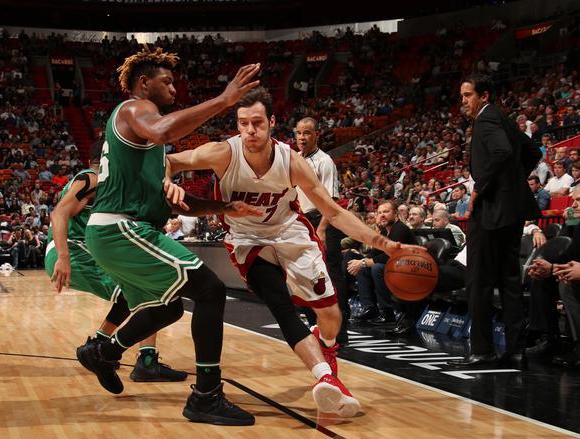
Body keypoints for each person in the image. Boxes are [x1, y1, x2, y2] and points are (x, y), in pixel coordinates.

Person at [168, 87, 417, 417]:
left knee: (331, 316)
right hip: (246, 239)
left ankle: (325, 348)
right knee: (279, 303)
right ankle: (326, 378)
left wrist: (383, 242)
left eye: (257, 122)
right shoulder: (222, 153)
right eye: (242, 123)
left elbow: (333, 211)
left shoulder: (292, 161)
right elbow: (168, 159)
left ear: (272, 122)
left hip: (290, 233)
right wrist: (166, 179)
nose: (249, 131)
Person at [83, 47, 261, 426]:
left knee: (169, 307)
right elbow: (164, 127)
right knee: (211, 290)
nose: (174, 88)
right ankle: (206, 397)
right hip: (120, 228)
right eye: (167, 81)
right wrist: (225, 100)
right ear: (143, 84)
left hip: (121, 230)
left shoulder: (151, 147)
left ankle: (104, 352)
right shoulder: (134, 109)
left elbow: (176, 205)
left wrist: (224, 208)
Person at [48, 149, 192, 384]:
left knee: (140, 290)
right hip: (73, 252)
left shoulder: (108, 184)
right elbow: (58, 214)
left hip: (81, 251)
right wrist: (63, 257)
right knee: (148, 290)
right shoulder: (93, 178)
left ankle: (101, 343)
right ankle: (141, 361)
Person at [451, 74, 541, 368]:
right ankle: (515, 352)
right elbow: (531, 152)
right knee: (510, 281)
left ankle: (483, 350)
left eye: (467, 95)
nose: (463, 101)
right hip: (512, 211)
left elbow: (502, 152)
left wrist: (480, 188)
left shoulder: (486, 120)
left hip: (491, 211)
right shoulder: (502, 118)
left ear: (484, 95)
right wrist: (513, 183)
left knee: (478, 282)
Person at [293, 116, 349, 344]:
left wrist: (322, 229)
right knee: (306, 276)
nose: (302, 138)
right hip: (302, 221)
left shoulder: (325, 161)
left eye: (307, 133)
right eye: (298, 133)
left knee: (331, 276)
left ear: (317, 135)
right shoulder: (295, 159)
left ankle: (341, 332)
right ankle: (316, 325)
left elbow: (331, 200)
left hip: (322, 221)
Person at [528, 182, 580, 368]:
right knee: (542, 280)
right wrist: (550, 268)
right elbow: (569, 256)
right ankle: (550, 337)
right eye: (573, 200)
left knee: (568, 282)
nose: (573, 205)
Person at [345, 201, 416, 325]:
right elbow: (375, 252)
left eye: (386, 212)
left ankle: (387, 312)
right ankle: (370, 308)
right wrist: (361, 261)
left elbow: (391, 255)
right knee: (355, 260)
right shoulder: (385, 231)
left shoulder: (400, 229)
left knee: (376, 267)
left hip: (408, 268)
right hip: (394, 266)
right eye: (380, 212)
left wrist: (364, 262)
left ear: (396, 214)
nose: (382, 215)